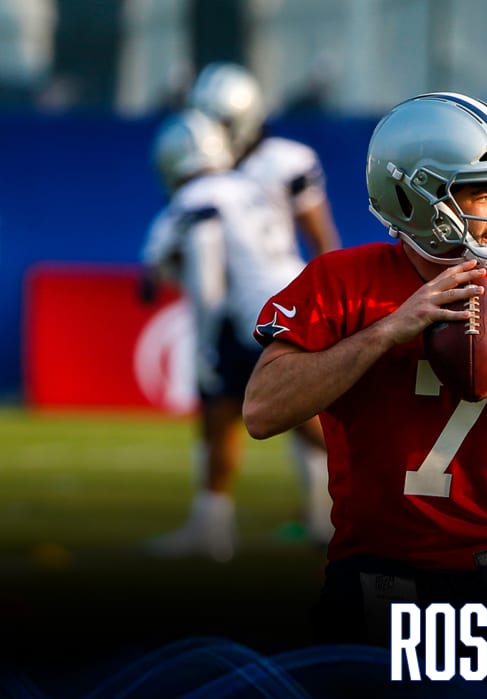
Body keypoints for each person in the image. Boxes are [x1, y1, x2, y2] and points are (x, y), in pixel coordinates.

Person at [241, 92, 487, 643]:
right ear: (413, 196)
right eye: (482, 193)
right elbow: (262, 410)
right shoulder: (342, 282)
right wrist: (387, 330)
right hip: (379, 571)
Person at [142, 110, 314, 561]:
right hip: (292, 298)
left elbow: (204, 271)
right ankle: (211, 526)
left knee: (307, 417)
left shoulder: (199, 198)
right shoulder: (246, 186)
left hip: (255, 317)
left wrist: (202, 340)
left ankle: (386, 496)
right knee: (222, 413)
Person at [186, 61, 341, 544]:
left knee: (296, 411)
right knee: (220, 411)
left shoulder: (284, 160)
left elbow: (321, 237)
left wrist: (336, 301)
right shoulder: (213, 166)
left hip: (280, 300)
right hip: (235, 306)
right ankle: (212, 525)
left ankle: (337, 509)